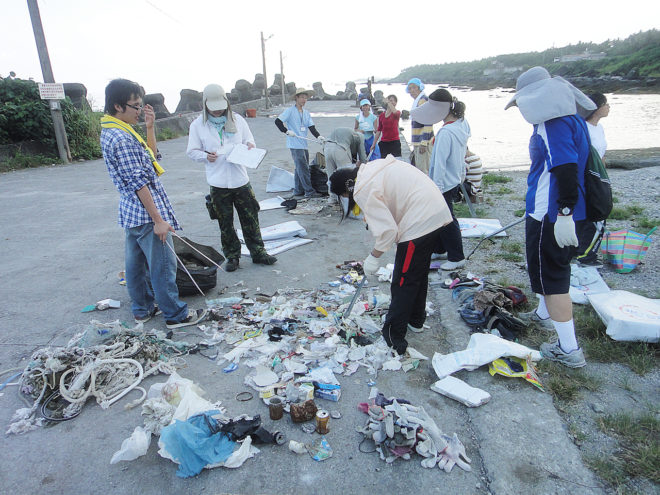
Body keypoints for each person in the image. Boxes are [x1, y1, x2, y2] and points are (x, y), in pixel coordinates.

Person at [505, 66, 597, 368]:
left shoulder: (552, 124)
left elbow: (566, 168)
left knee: (554, 277)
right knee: (546, 269)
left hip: (553, 216)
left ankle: (569, 350)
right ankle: (544, 315)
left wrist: (565, 213)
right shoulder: (574, 120)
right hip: (556, 213)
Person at [100, 78, 207, 330]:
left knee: (135, 265)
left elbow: (149, 160)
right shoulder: (122, 138)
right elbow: (140, 183)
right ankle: (175, 315)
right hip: (145, 212)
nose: (140, 110)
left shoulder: (117, 129)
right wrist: (159, 220)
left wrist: (149, 127)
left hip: (131, 212)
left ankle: (143, 309)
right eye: (136, 106)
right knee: (162, 266)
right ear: (118, 106)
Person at [329, 157, 452, 356]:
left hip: (420, 220)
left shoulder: (362, 188)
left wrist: (373, 257)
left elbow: (388, 231)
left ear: (347, 188)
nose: (347, 198)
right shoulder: (370, 169)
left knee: (403, 281)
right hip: (434, 210)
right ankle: (416, 320)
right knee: (416, 274)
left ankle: (393, 335)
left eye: (343, 195)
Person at [186, 84, 276, 273]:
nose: (218, 110)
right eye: (213, 107)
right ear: (205, 105)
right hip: (217, 183)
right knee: (225, 223)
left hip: (240, 180)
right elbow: (192, 151)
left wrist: (250, 146)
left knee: (250, 218)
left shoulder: (239, 120)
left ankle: (258, 252)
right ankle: (232, 256)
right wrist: (205, 156)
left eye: (221, 105)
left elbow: (249, 141)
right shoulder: (197, 125)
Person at [411, 89, 469, 270]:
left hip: (443, 182)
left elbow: (439, 163)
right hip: (454, 178)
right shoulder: (462, 124)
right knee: (440, 218)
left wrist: (435, 186)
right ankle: (440, 248)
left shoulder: (446, 133)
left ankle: (457, 256)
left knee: (446, 219)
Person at [576, 92, 610, 267]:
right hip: (586, 177)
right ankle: (584, 254)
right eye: (606, 104)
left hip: (599, 177)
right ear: (596, 108)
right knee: (592, 213)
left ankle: (585, 251)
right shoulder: (583, 128)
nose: (608, 107)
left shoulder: (599, 128)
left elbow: (602, 153)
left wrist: (605, 178)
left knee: (597, 213)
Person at [275, 88, 325, 199]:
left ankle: (298, 191)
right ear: (296, 98)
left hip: (303, 143)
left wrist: (319, 136)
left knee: (299, 168)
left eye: (306, 98)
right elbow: (277, 121)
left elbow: (311, 127)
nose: (304, 100)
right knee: (303, 168)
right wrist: (286, 131)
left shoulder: (306, 113)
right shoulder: (290, 111)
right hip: (294, 143)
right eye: (302, 97)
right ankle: (309, 191)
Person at [323, 127, 368, 205]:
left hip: (327, 148)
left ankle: (332, 199)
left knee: (330, 175)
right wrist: (365, 167)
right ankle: (345, 201)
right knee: (345, 176)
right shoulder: (360, 137)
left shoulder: (349, 132)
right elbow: (362, 157)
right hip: (340, 149)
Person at [406, 78, 434, 175]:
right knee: (419, 169)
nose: (412, 91)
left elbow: (428, 121)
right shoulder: (417, 102)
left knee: (424, 171)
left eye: (414, 87)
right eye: (410, 89)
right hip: (417, 142)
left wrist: (424, 142)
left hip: (423, 142)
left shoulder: (423, 101)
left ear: (420, 88)